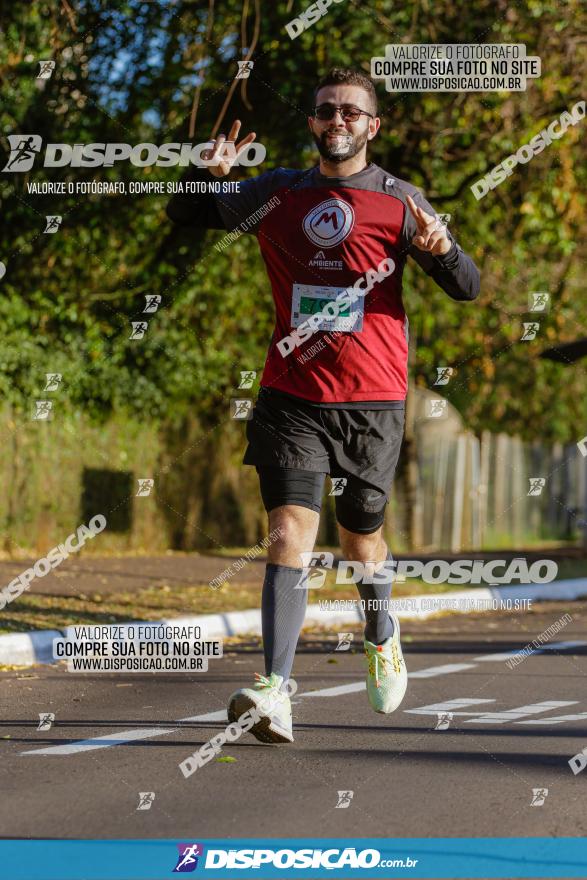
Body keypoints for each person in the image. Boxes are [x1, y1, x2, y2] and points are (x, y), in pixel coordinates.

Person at [166, 67, 480, 744]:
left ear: (371, 126)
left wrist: (445, 250)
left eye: (349, 112)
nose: (336, 120)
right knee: (286, 537)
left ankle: (380, 630)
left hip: (372, 403)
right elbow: (185, 213)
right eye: (324, 110)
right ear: (311, 123)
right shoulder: (276, 192)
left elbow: (466, 286)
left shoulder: (399, 201)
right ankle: (275, 690)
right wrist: (202, 173)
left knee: (360, 541)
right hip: (291, 396)